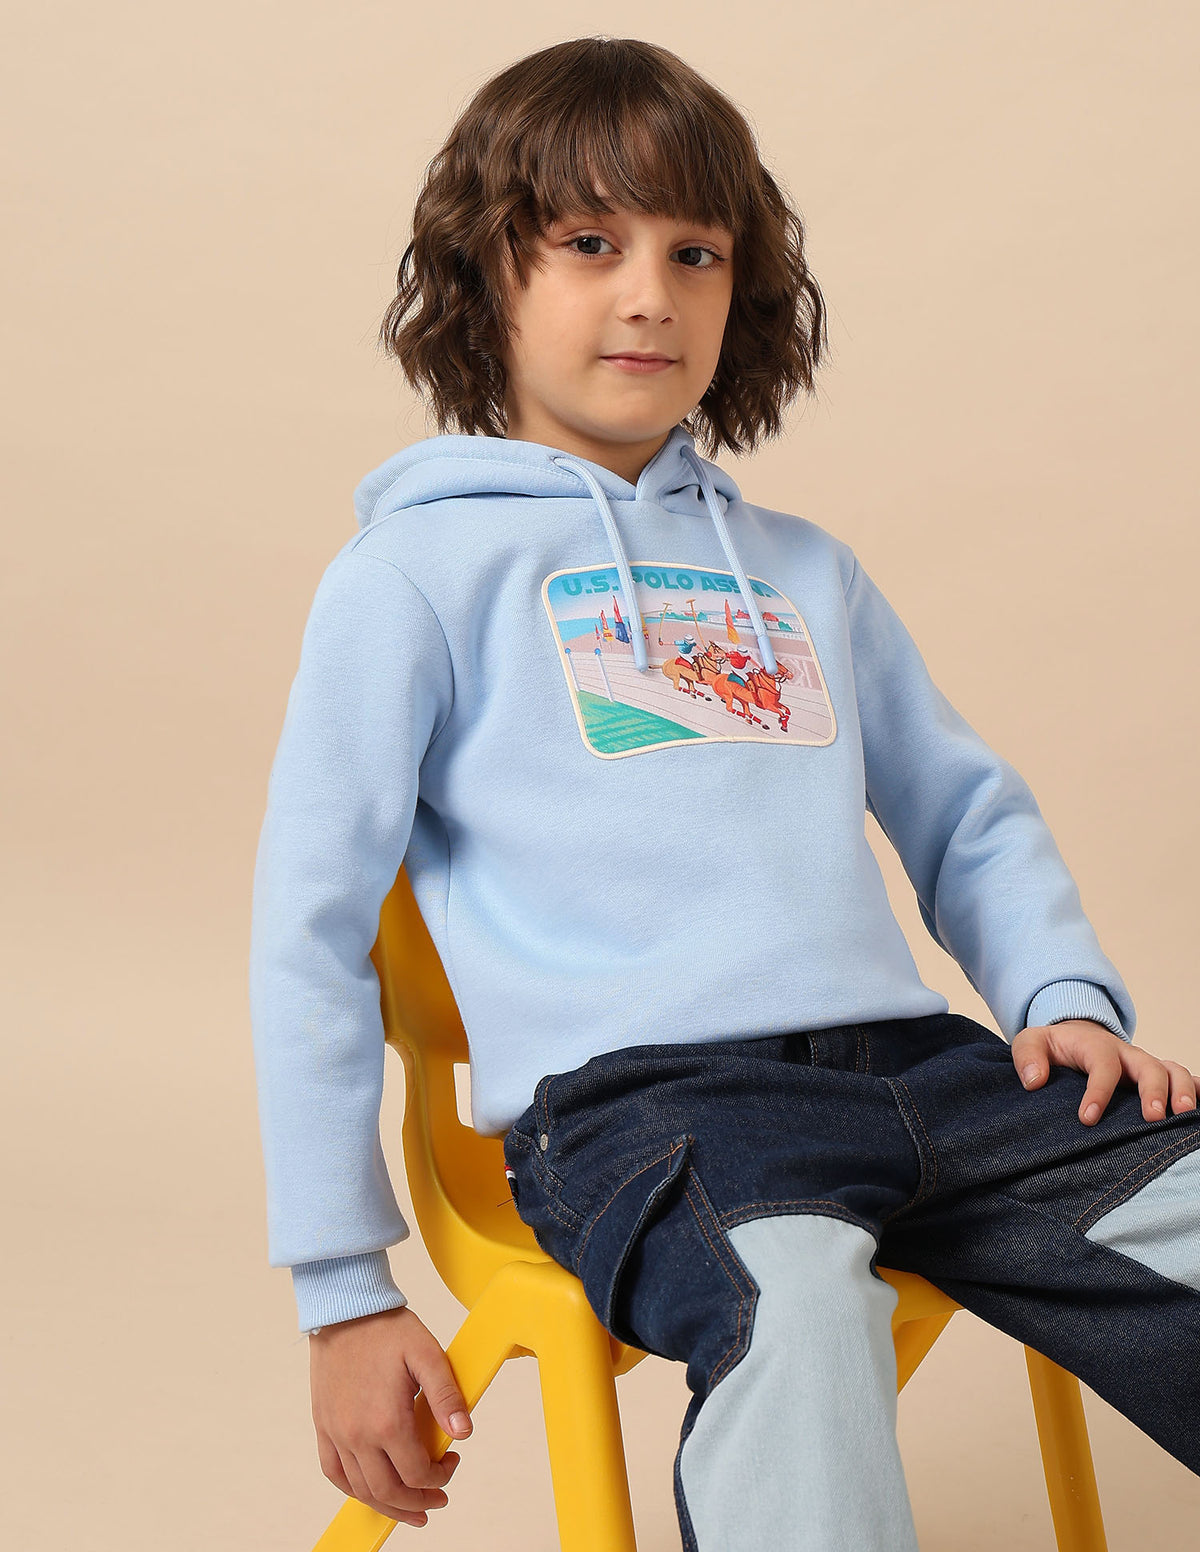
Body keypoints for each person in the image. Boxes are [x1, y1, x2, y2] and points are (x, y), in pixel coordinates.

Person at [248, 35, 1200, 1546]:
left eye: (695, 252)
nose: (651, 295)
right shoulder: (412, 576)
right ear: (484, 276)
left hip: (920, 1074)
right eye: (590, 244)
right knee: (797, 1307)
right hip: (647, 1108)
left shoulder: (806, 571)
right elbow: (308, 931)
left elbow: (965, 812)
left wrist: (1062, 996)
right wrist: (343, 1290)